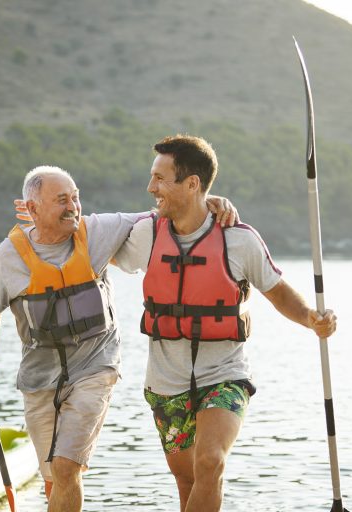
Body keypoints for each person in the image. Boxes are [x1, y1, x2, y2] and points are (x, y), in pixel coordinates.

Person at [0, 165, 237, 512]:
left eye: (75, 198)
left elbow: (160, 215)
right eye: (61, 200)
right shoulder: (10, 256)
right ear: (33, 209)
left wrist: (204, 201)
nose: (73, 207)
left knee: (66, 467)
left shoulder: (97, 231)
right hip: (39, 380)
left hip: (96, 368)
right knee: (54, 480)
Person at [111, 135, 338, 512]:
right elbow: (100, 249)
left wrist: (312, 319)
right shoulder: (147, 235)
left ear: (192, 184)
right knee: (187, 479)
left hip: (225, 375)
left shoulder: (239, 240)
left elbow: (278, 291)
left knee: (210, 462)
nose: (151, 187)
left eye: (160, 178)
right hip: (166, 381)